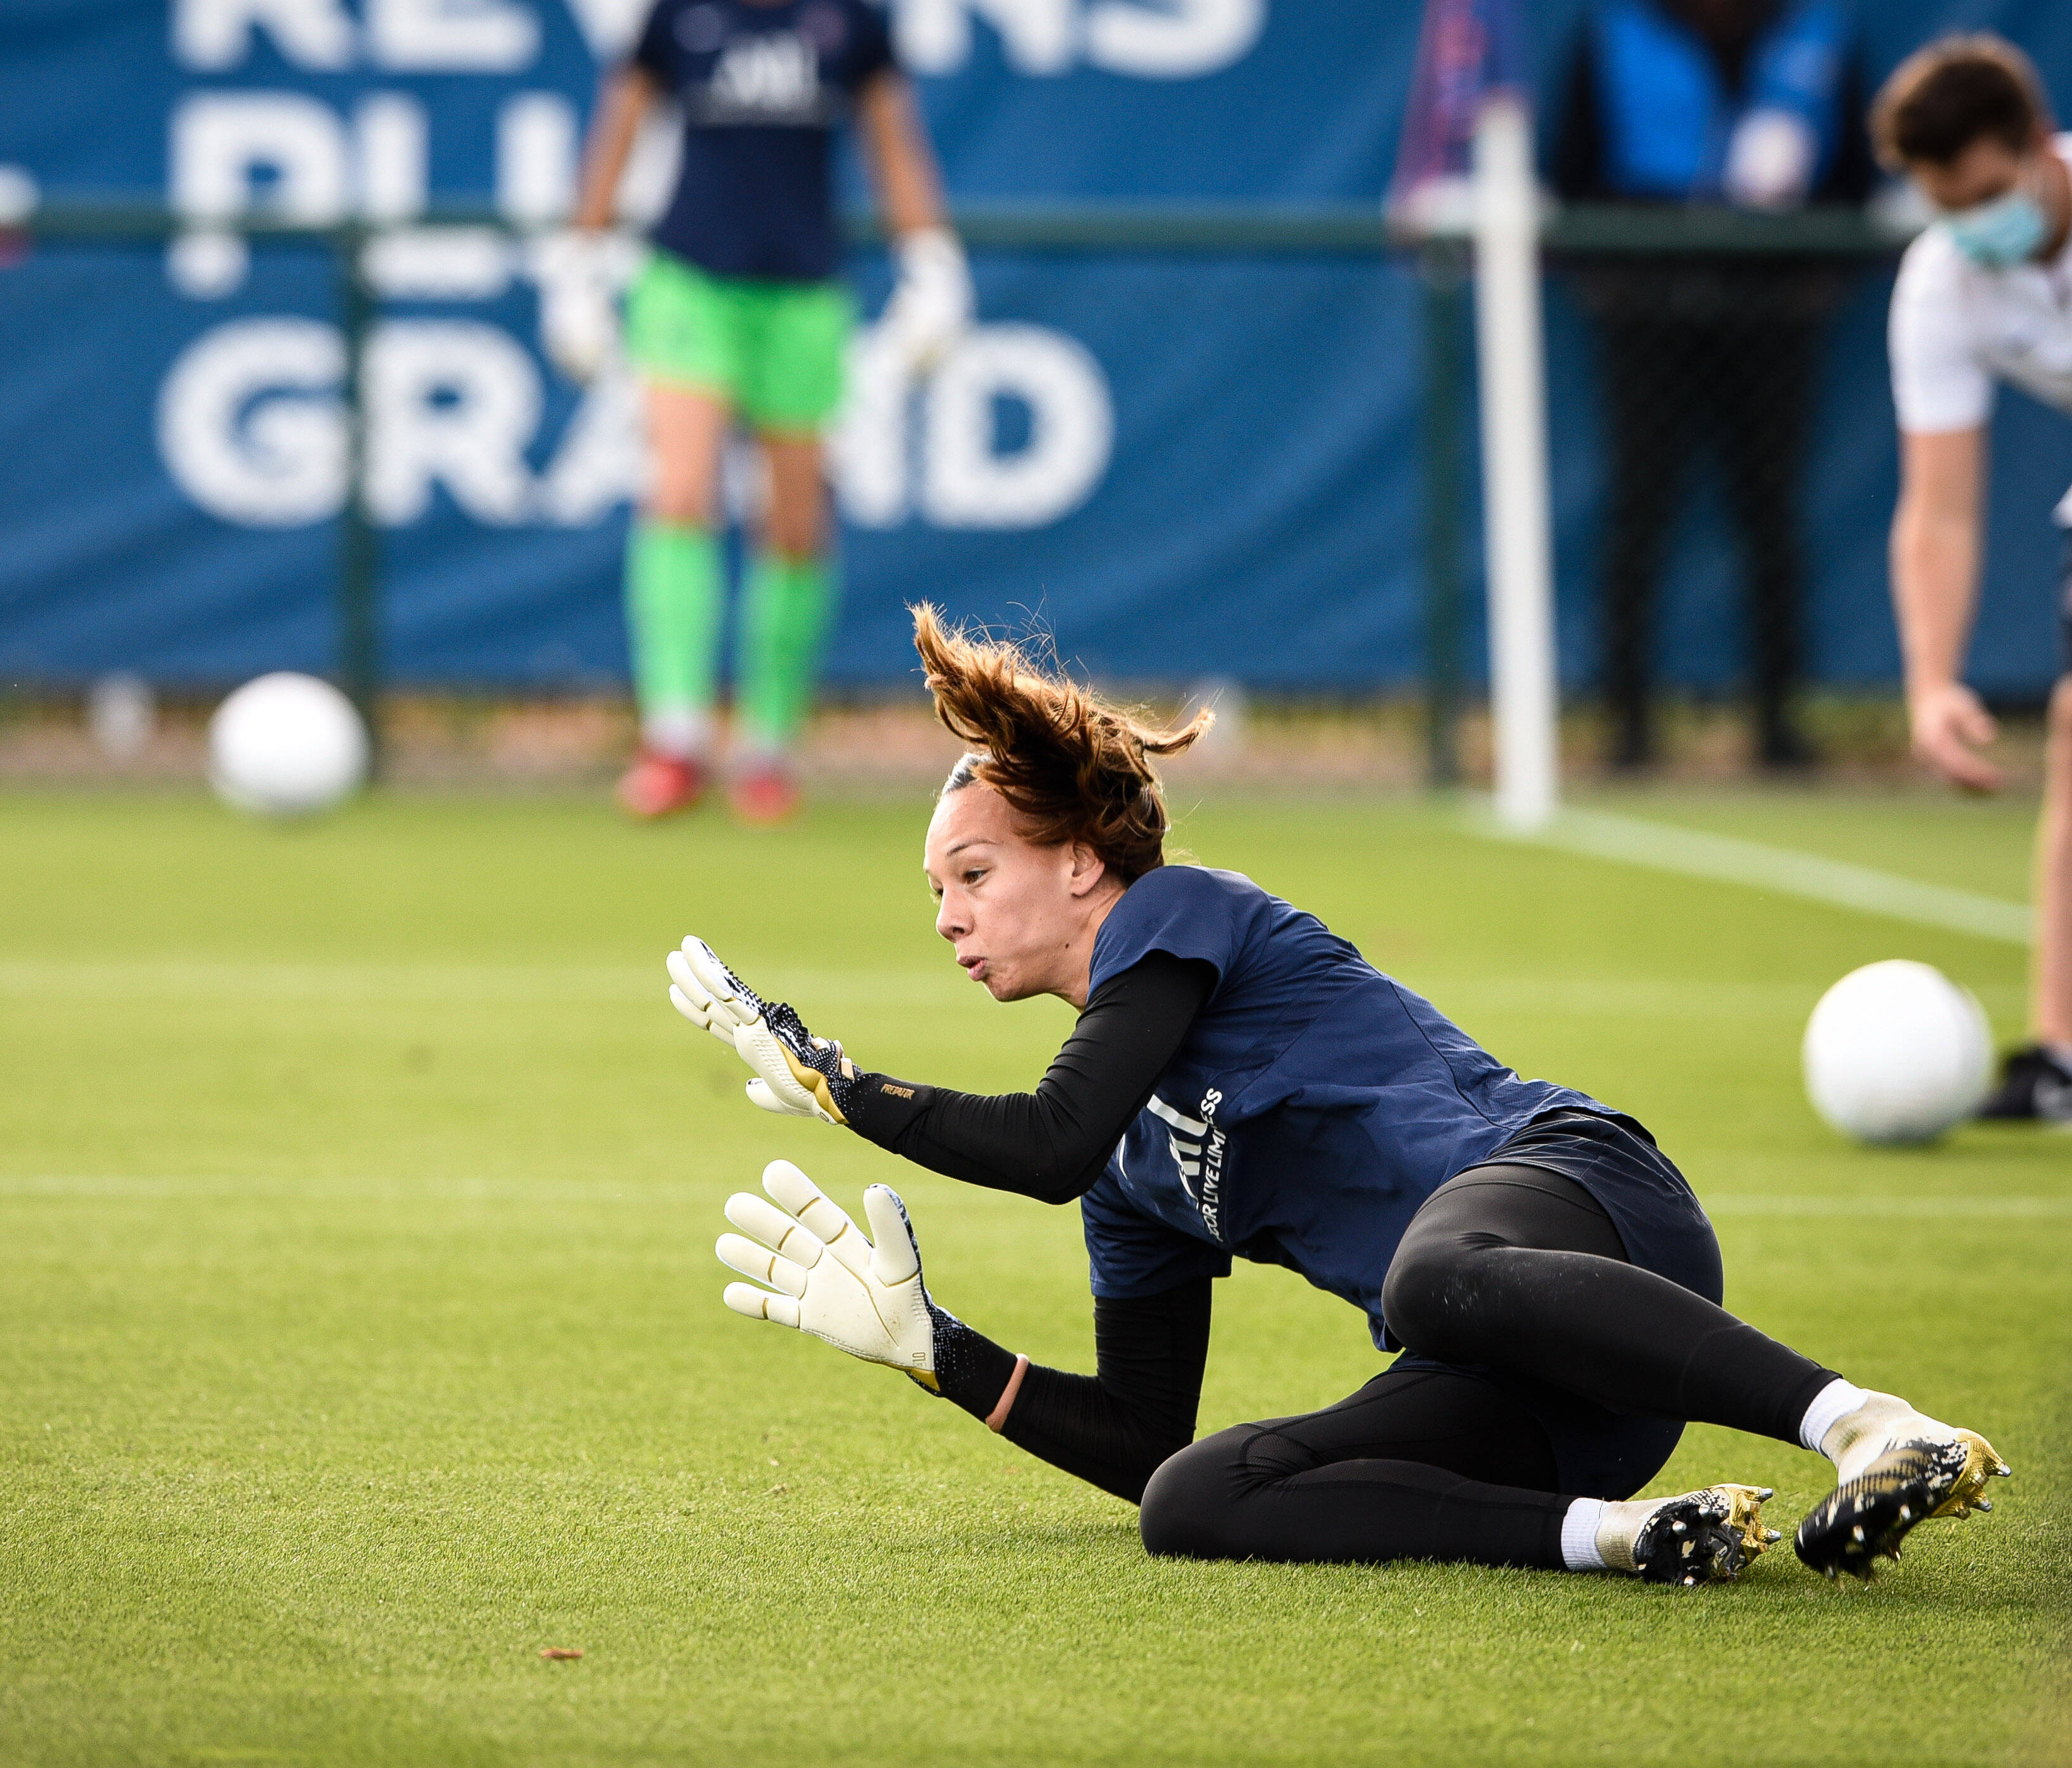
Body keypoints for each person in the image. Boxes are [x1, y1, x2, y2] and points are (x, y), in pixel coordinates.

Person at [665, 606, 2010, 1582]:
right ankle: (1628, 1536)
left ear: (1080, 865)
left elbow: (1044, 1141)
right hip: (1544, 1396)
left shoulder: (1179, 912)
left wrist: (843, 1087)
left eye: (971, 874)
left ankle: (1869, 1425)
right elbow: (1142, 1434)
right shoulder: (1134, 1171)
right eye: (935, 892)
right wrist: (941, 1356)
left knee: (1431, 1273)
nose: (947, 918)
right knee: (1193, 1501)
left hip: (1589, 1203)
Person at [537, 0, 969, 824]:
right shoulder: (680, 12)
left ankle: (767, 742)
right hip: (688, 281)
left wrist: (934, 266)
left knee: (798, 519)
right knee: (679, 491)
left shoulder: (846, 18)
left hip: (804, 294)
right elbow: (616, 134)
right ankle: (675, 734)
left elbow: (895, 147)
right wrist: (576, 267)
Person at [1551, 0, 1875, 771]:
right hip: (1650, 312)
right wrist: (1615, 280)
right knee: (1639, 512)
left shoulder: (1814, 35)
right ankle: (1627, 725)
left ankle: (1778, 724)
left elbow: (1860, 181)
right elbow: (1569, 174)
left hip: (1770, 313)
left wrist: (1813, 280)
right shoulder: (1618, 33)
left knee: (1770, 516)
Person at [1874, 36, 2072, 1121]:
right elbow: (1940, 506)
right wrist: (1933, 679)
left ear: (2041, 145)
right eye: (1949, 204)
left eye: (1993, 193)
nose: (1975, 224)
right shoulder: (1945, 281)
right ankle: (2064, 1057)